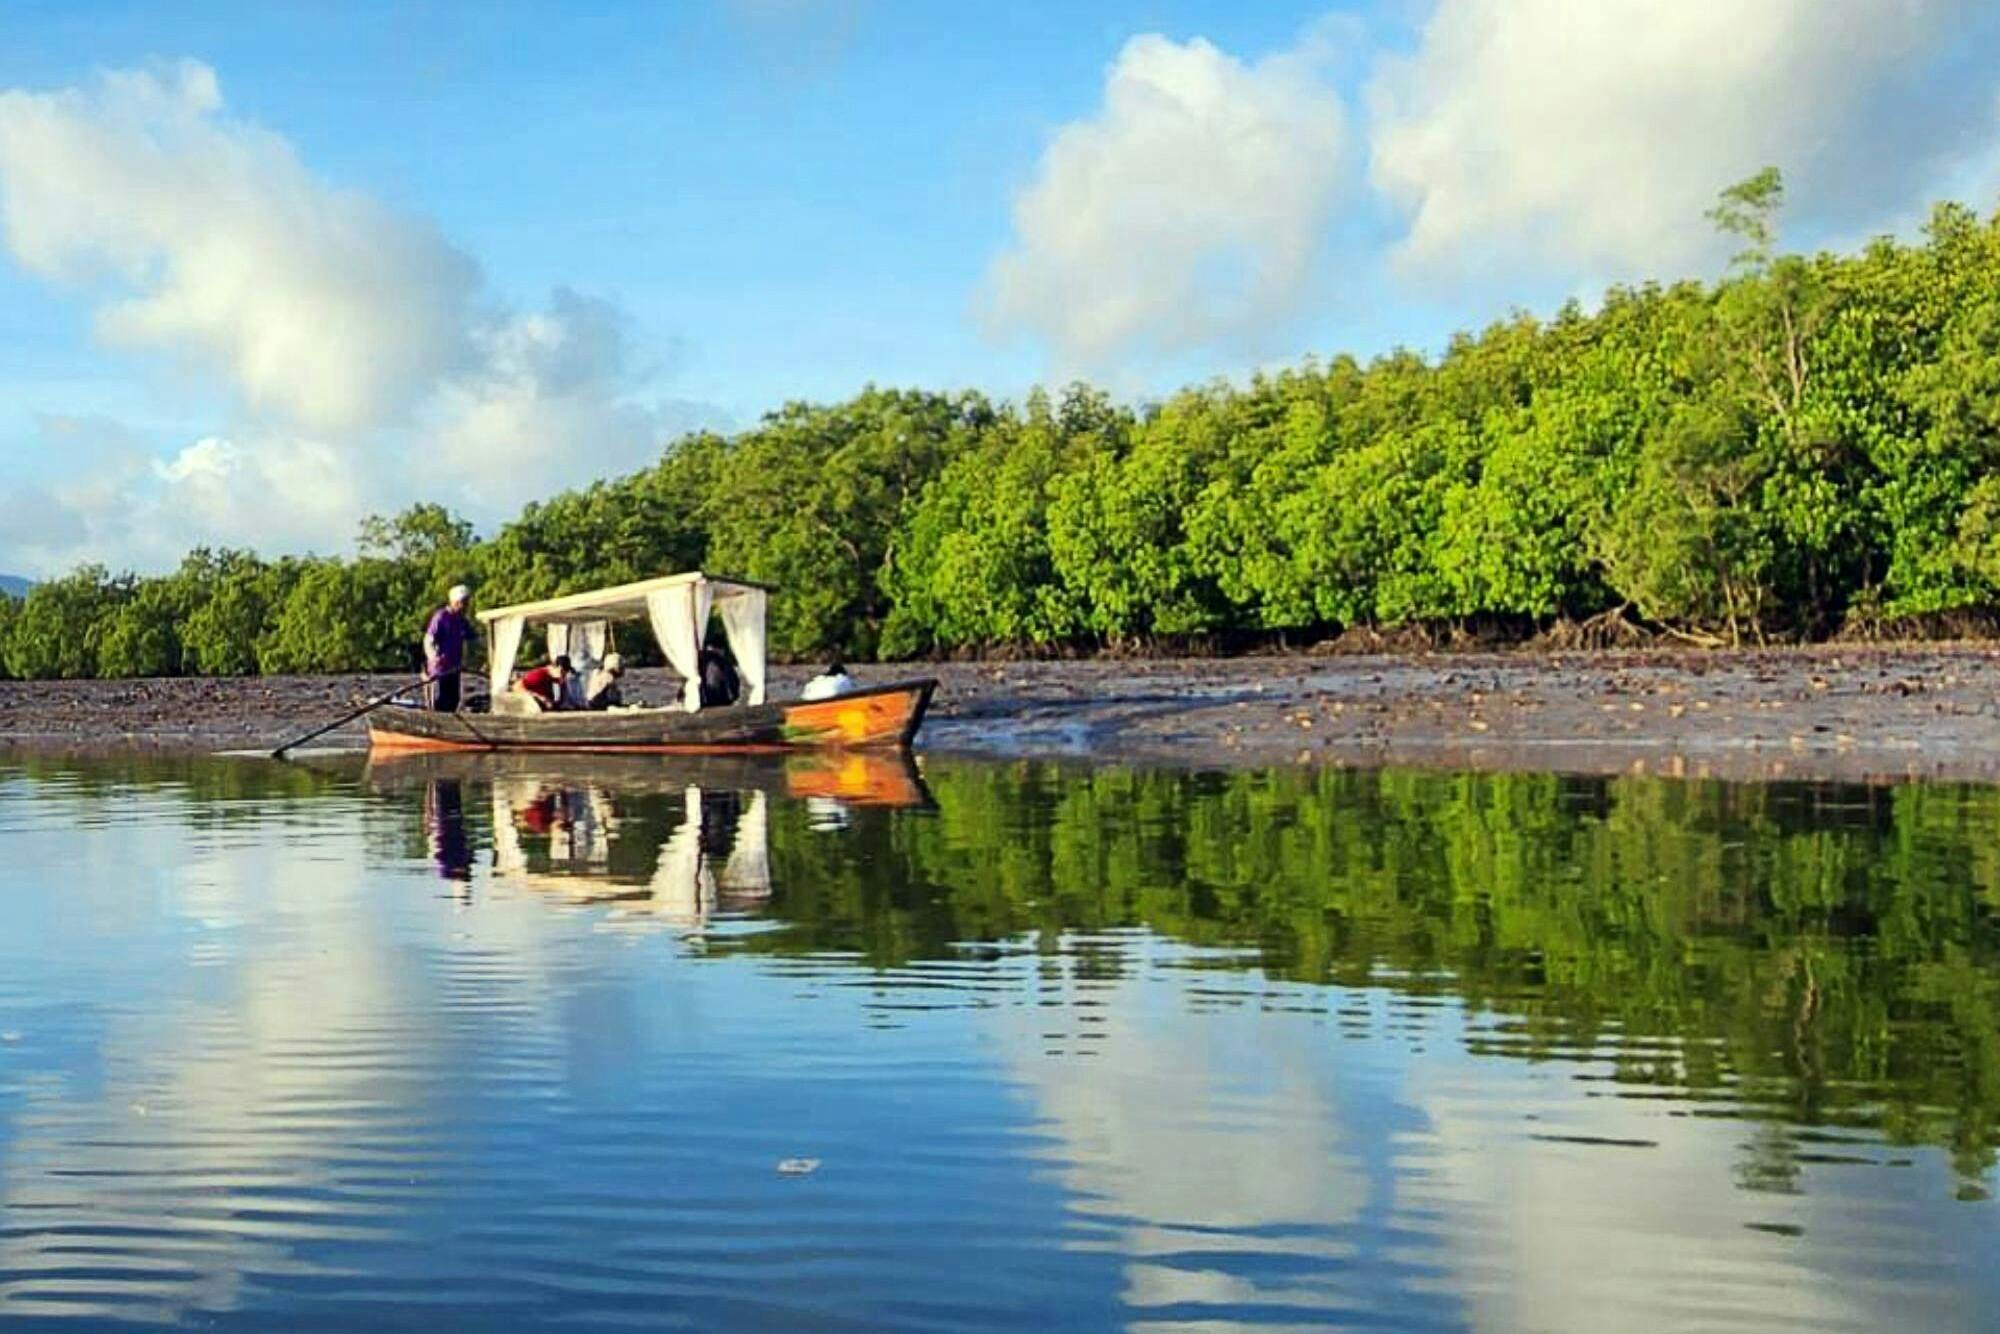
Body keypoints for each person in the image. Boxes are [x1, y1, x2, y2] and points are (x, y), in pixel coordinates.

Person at [423, 584, 473, 712]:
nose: (466, 606)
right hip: (440, 670)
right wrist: (434, 657)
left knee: (454, 700)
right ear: (455, 602)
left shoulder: (461, 620)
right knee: (441, 701)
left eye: (467, 602)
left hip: (454, 668)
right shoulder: (441, 617)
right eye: (464, 602)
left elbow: (472, 640)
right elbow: (429, 640)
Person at [698, 638, 741, 708]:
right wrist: (734, 696)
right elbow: (733, 681)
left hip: (705, 700)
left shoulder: (701, 661)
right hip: (722, 700)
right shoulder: (723, 661)